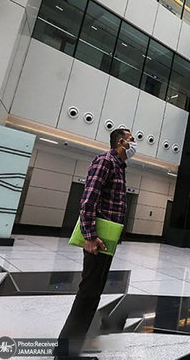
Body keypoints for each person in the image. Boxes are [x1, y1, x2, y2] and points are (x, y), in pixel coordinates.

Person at [56, 128, 136, 357]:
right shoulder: (105, 161)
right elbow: (88, 201)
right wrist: (90, 236)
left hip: (106, 241)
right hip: (97, 240)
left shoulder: (119, 167)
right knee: (87, 294)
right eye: (131, 140)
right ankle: (65, 352)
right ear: (120, 142)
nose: (134, 144)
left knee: (93, 294)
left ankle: (72, 349)